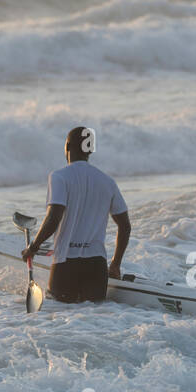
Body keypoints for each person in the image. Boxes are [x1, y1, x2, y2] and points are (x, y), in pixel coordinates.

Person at [22, 126, 131, 302]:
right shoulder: (107, 181)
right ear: (90, 151)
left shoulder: (59, 177)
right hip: (97, 266)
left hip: (66, 264)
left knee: (61, 321)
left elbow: (54, 217)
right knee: (93, 321)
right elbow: (125, 226)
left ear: (67, 147)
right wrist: (115, 264)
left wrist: (33, 248)